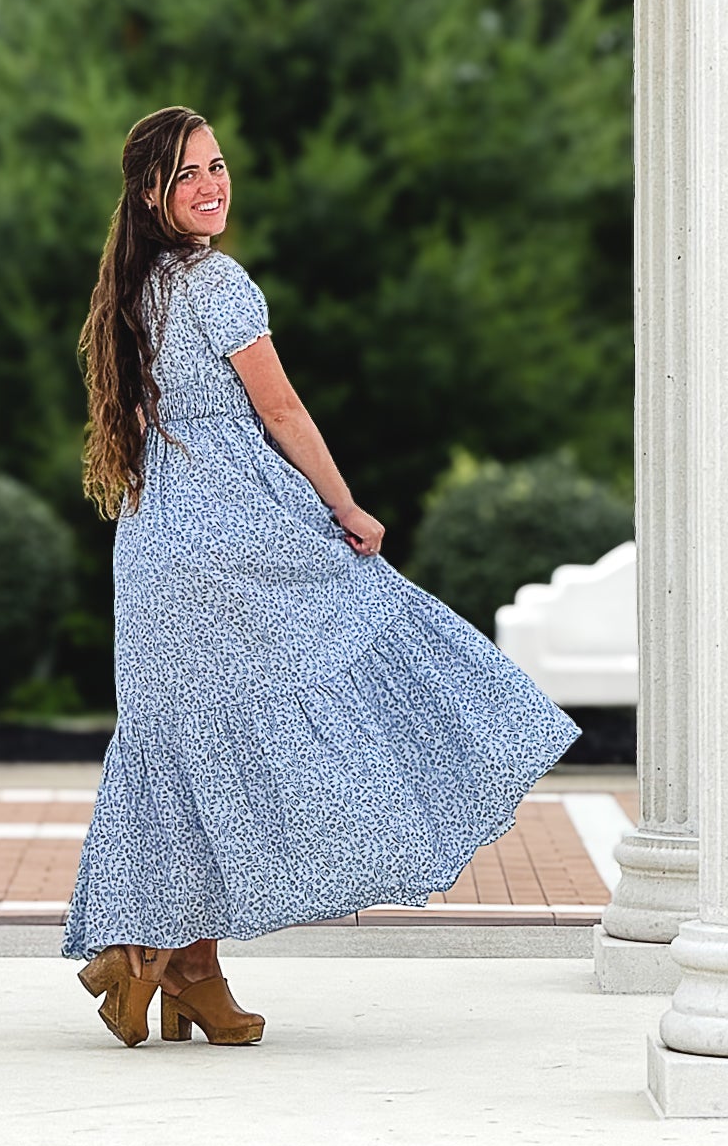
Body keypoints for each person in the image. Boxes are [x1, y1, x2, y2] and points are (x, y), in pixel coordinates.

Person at [65, 105, 579, 1048]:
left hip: (153, 547)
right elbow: (283, 410)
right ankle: (164, 960)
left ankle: (168, 962)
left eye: (217, 166)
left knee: (182, 749)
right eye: (188, 175)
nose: (213, 185)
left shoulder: (129, 293)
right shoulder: (216, 283)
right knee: (369, 628)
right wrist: (346, 508)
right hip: (235, 535)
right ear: (150, 193)